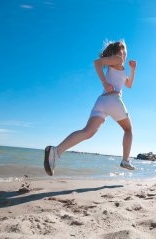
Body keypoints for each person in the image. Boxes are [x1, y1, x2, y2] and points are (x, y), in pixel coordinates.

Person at [44, 40, 137, 176]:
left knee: (87, 132)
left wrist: (133, 69)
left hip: (102, 101)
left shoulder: (120, 67)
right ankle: (125, 160)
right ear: (122, 50)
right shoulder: (117, 59)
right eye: (125, 50)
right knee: (128, 129)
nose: (126, 54)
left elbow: (129, 84)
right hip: (113, 99)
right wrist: (105, 82)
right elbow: (97, 62)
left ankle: (56, 151)